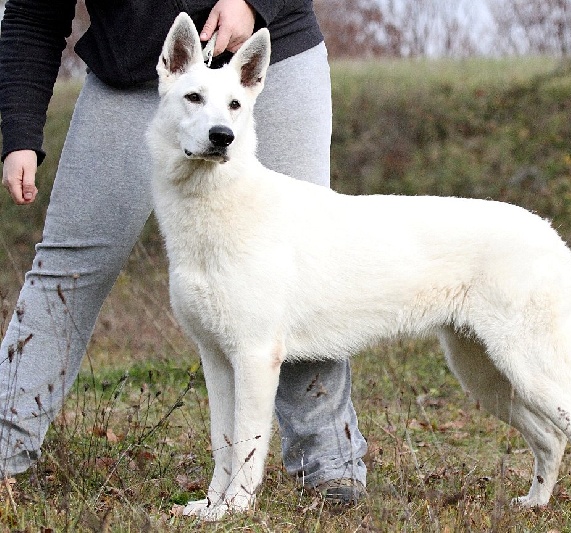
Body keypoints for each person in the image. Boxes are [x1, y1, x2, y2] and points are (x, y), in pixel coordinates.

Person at [0, 0, 367, 504]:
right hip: (132, 69)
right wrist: (19, 134)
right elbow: (31, 15)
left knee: (300, 264)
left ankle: (329, 461)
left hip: (267, 48)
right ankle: (4, 446)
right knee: (70, 264)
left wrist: (251, 4)